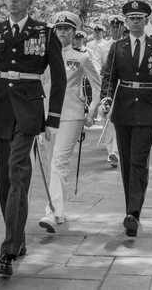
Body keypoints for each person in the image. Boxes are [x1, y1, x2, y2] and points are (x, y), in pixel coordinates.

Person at [0, 0, 66, 277]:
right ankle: (19, 238)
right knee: (5, 180)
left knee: (17, 172)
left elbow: (59, 79)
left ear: (29, 1)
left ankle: (8, 250)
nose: (13, 0)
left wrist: (53, 120)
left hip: (28, 110)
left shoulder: (44, 32)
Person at [99, 0, 152, 238]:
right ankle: (130, 208)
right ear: (126, 21)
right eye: (131, 17)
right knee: (126, 162)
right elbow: (109, 77)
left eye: (139, 18)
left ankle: (133, 212)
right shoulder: (117, 46)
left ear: (146, 21)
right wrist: (106, 99)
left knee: (138, 160)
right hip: (122, 107)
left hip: (147, 107)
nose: (135, 21)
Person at [37, 12, 101, 233]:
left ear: (74, 33)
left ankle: (52, 212)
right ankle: (60, 211)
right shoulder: (42, 56)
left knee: (59, 162)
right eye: (58, 28)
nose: (62, 31)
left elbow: (96, 85)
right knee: (52, 163)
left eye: (67, 28)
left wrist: (92, 111)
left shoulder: (81, 57)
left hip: (71, 114)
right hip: (46, 115)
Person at [89, 14, 124, 168]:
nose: (116, 29)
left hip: (124, 86)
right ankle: (112, 151)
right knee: (107, 118)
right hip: (108, 85)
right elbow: (96, 65)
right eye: (113, 27)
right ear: (110, 28)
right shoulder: (102, 47)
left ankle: (118, 150)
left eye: (119, 26)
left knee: (121, 119)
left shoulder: (128, 44)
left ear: (123, 27)